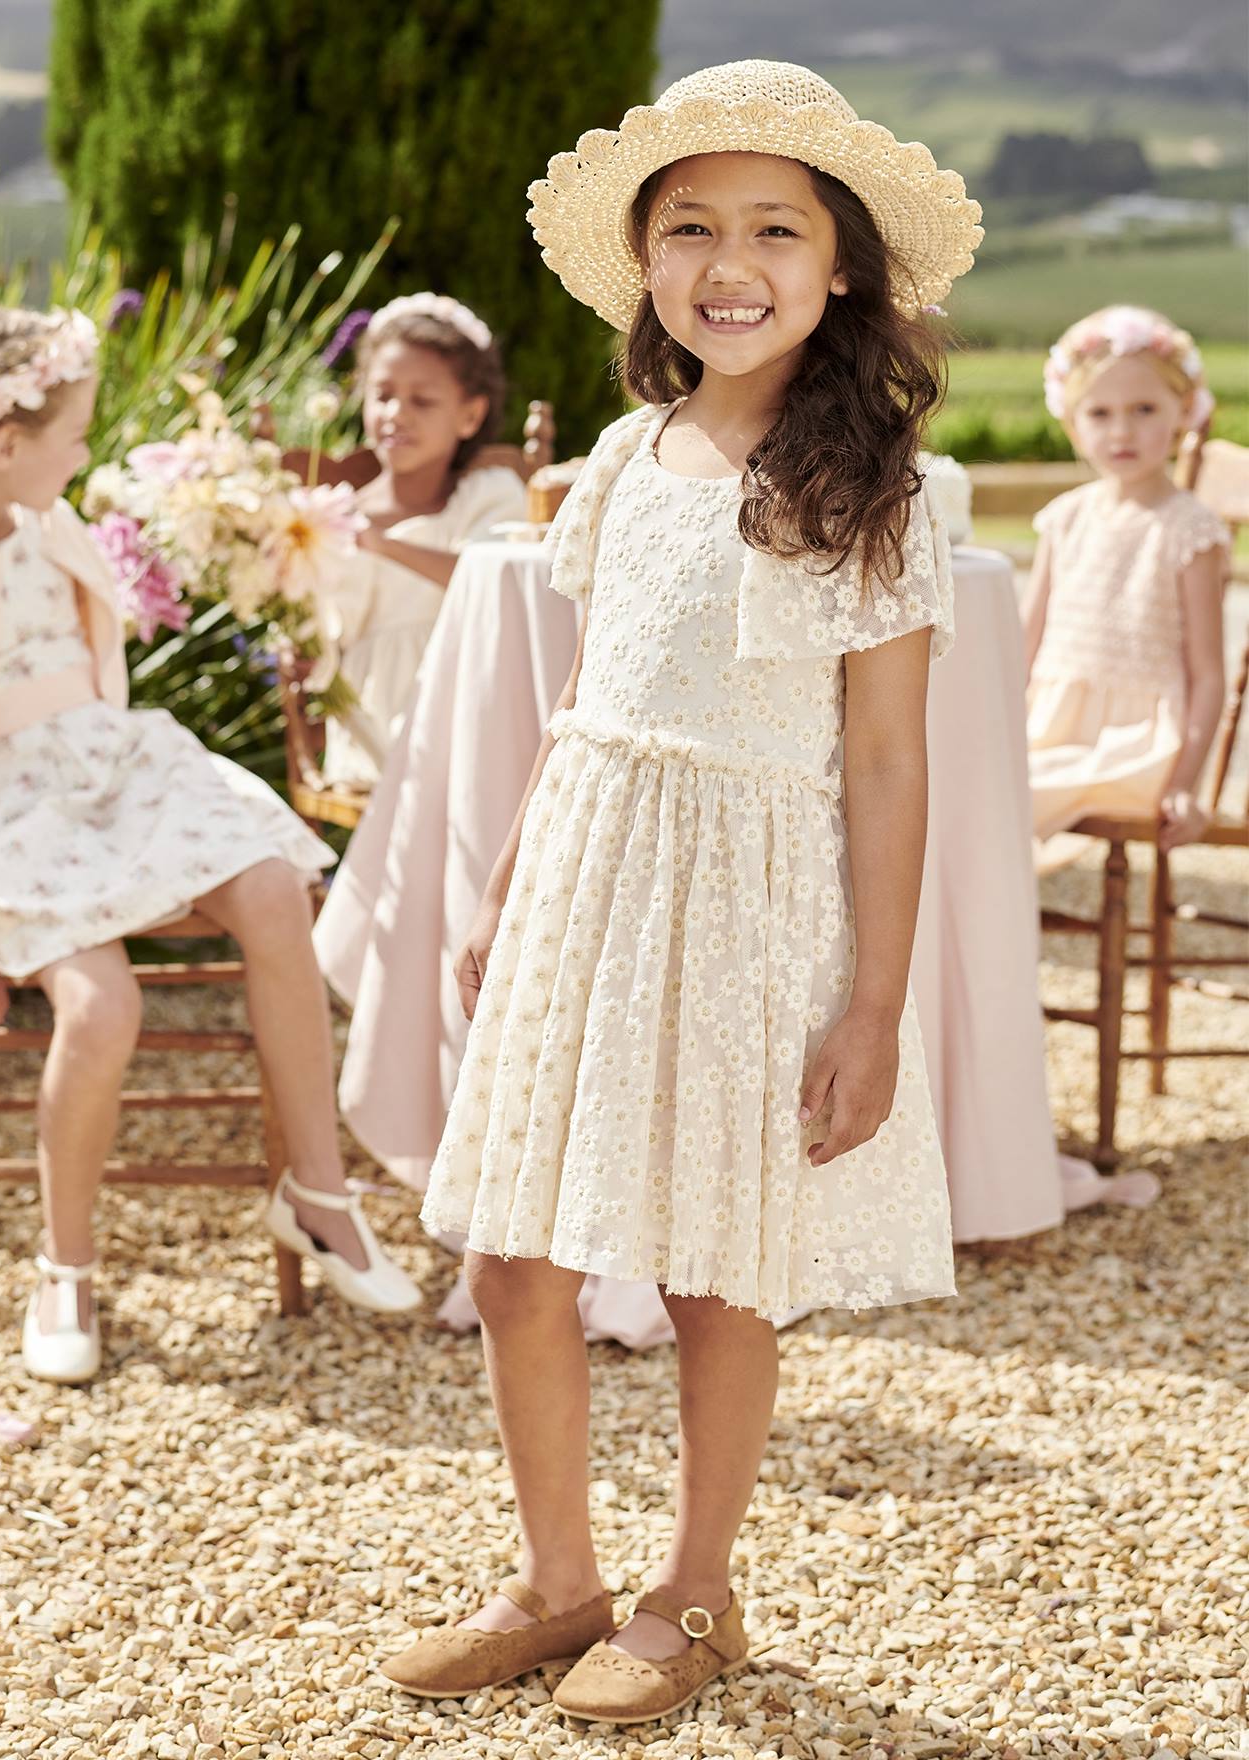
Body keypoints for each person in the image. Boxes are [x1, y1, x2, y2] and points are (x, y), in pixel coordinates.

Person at [379, 60, 982, 1722]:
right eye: (692, 227)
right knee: (516, 1250)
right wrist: (507, 883)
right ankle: (554, 1579)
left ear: (842, 264)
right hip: (590, 861)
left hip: (754, 889)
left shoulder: (879, 489)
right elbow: (588, 698)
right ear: (647, 260)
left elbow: (886, 762)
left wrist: (874, 1003)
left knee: (719, 1256)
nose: (733, 261)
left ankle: (697, 1592)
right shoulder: (631, 460)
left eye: (776, 228)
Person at [0, 305, 422, 1386]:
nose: (84, 453)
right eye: (73, 434)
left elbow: (97, 674)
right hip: (7, 812)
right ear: (5, 441)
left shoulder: (45, 524)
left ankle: (319, 1196)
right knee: (105, 1007)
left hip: (117, 767)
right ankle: (65, 1263)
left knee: (273, 885)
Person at [1023, 305, 1230, 870]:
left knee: (997, 799)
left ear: (1182, 411)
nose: (1121, 431)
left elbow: (1209, 673)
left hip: (1138, 746)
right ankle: (969, 943)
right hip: (1050, 729)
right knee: (956, 782)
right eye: (1100, 413)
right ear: (1073, 422)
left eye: (1143, 410)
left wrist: (1186, 782)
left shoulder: (1190, 531)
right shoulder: (1064, 519)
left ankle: (985, 941)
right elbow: (1025, 644)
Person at [320, 293, 527, 788]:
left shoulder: (490, 496)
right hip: (376, 719)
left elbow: (498, 582)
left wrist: (384, 543)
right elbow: (331, 631)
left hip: (476, 704)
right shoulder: (342, 513)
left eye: (422, 400)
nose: (396, 413)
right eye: (383, 394)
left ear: (470, 416)